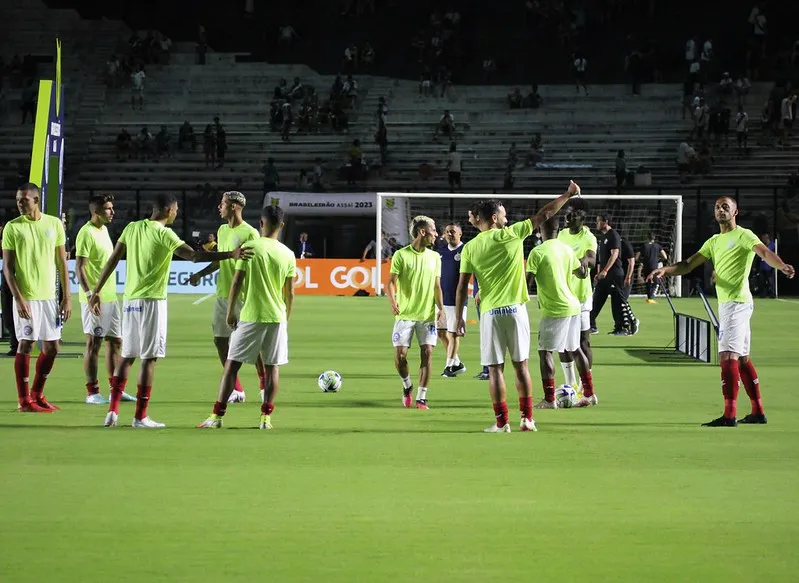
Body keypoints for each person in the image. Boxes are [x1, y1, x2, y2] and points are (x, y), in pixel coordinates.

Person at [90, 193, 251, 428]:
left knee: (127, 356)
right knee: (149, 359)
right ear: (167, 210)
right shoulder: (165, 234)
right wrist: (230, 254)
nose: (176, 213)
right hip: (153, 302)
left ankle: (112, 412)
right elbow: (194, 256)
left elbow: (113, 259)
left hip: (130, 301)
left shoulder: (132, 228)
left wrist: (96, 290)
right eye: (175, 210)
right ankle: (140, 416)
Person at [648, 196, 795, 426]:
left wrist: (782, 265)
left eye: (726, 206)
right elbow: (688, 264)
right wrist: (665, 270)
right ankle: (758, 412)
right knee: (743, 359)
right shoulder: (714, 241)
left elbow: (764, 253)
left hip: (737, 304)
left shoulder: (744, 235)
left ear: (736, 211)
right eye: (717, 207)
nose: (720, 210)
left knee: (727, 356)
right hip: (730, 304)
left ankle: (729, 415)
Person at [454, 180, 580, 433]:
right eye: (503, 214)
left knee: (495, 369)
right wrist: (568, 194)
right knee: (521, 365)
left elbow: (462, 287)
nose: (507, 217)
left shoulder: (470, 248)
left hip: (490, 312)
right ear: (494, 218)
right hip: (516, 311)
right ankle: (527, 419)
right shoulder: (512, 234)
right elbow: (545, 214)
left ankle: (502, 423)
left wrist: (458, 318)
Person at [198, 205, 296, 429]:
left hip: (251, 314)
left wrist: (231, 311)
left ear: (261, 224)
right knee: (272, 367)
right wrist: (285, 318)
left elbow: (237, 281)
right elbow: (289, 293)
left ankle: (217, 417)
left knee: (232, 365)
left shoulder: (250, 247)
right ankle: (265, 418)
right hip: (277, 316)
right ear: (281, 225)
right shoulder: (288, 254)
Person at [189, 191, 266, 404]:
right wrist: (200, 274)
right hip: (223, 295)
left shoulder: (250, 233)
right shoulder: (222, 230)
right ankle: (236, 388)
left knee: (252, 344)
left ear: (233, 206)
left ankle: (263, 384)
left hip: (244, 296)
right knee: (220, 341)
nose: (219, 207)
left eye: (222, 203)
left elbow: (254, 265)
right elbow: (220, 260)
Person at [2, 183, 71, 412]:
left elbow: (62, 263)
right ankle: (24, 402)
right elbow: (8, 269)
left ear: (36, 200)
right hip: (27, 296)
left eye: (24, 200)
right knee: (27, 344)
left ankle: (37, 394)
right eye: (18, 200)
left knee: (52, 348)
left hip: (49, 297)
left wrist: (66, 297)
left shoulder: (54, 224)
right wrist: (19, 299)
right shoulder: (12, 228)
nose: (20, 204)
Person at [526, 217, 597, 409]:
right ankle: (589, 393)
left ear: (541, 230)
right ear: (558, 230)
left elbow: (527, 282)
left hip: (555, 308)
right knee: (575, 348)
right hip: (574, 305)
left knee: (545, 351)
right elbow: (582, 273)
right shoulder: (566, 249)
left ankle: (550, 399)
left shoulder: (537, 252)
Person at [75, 194, 136, 405]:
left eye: (112, 207)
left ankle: (115, 390)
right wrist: (91, 294)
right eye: (109, 209)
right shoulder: (86, 233)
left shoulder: (104, 230)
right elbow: (79, 267)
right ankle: (92, 392)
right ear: (96, 212)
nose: (113, 212)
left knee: (116, 342)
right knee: (94, 343)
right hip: (94, 298)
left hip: (110, 296)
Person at [386, 216, 444, 410]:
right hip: (405, 315)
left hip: (427, 315)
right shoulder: (401, 255)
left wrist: (441, 308)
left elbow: (437, 286)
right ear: (422, 232)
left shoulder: (435, 257)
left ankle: (421, 398)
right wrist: (393, 301)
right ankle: (407, 385)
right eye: (433, 230)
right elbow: (391, 282)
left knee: (427, 353)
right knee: (400, 356)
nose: (436, 234)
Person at [556, 198, 597, 391]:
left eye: (573, 213)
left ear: (582, 218)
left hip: (580, 297)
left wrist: (579, 262)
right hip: (563, 296)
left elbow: (591, 259)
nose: (568, 216)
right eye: (567, 212)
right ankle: (570, 382)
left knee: (582, 340)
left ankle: (585, 384)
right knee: (564, 342)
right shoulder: (561, 234)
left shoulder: (587, 237)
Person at [590, 214, 639, 335]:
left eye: (598, 221)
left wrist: (605, 270)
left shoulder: (614, 235)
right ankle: (590, 325)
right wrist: (599, 273)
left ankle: (624, 326)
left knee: (618, 302)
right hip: (604, 276)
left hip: (614, 275)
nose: (596, 223)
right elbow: (601, 259)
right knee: (596, 300)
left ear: (605, 222)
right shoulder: (603, 237)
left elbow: (615, 254)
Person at [437, 223, 467, 377]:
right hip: (442, 300)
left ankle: (449, 367)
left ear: (460, 233)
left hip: (457, 301)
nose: (450, 234)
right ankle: (457, 362)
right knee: (441, 333)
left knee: (453, 334)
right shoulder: (440, 253)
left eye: (453, 231)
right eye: (447, 232)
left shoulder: (466, 251)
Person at [467, 205, 489, 381]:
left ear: (478, 217)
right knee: (486, 331)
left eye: (470, 217)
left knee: (488, 332)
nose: (469, 220)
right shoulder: (477, 240)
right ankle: (487, 368)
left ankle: (489, 369)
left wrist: (481, 289)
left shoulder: (486, 240)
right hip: (480, 292)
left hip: (486, 294)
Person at [636, 232, 669, 303]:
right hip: (654, 266)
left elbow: (636, 257)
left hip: (646, 266)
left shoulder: (644, 246)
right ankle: (651, 297)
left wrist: (642, 261)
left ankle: (649, 298)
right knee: (656, 282)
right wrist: (659, 259)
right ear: (654, 238)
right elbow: (665, 257)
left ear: (647, 238)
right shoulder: (658, 246)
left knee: (648, 281)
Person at [756, 233, 776, 297]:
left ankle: (772, 293)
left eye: (763, 238)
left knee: (770, 281)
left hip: (769, 266)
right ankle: (763, 293)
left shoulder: (773, 245)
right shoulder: (762, 245)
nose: (762, 239)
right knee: (762, 281)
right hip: (763, 266)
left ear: (767, 238)